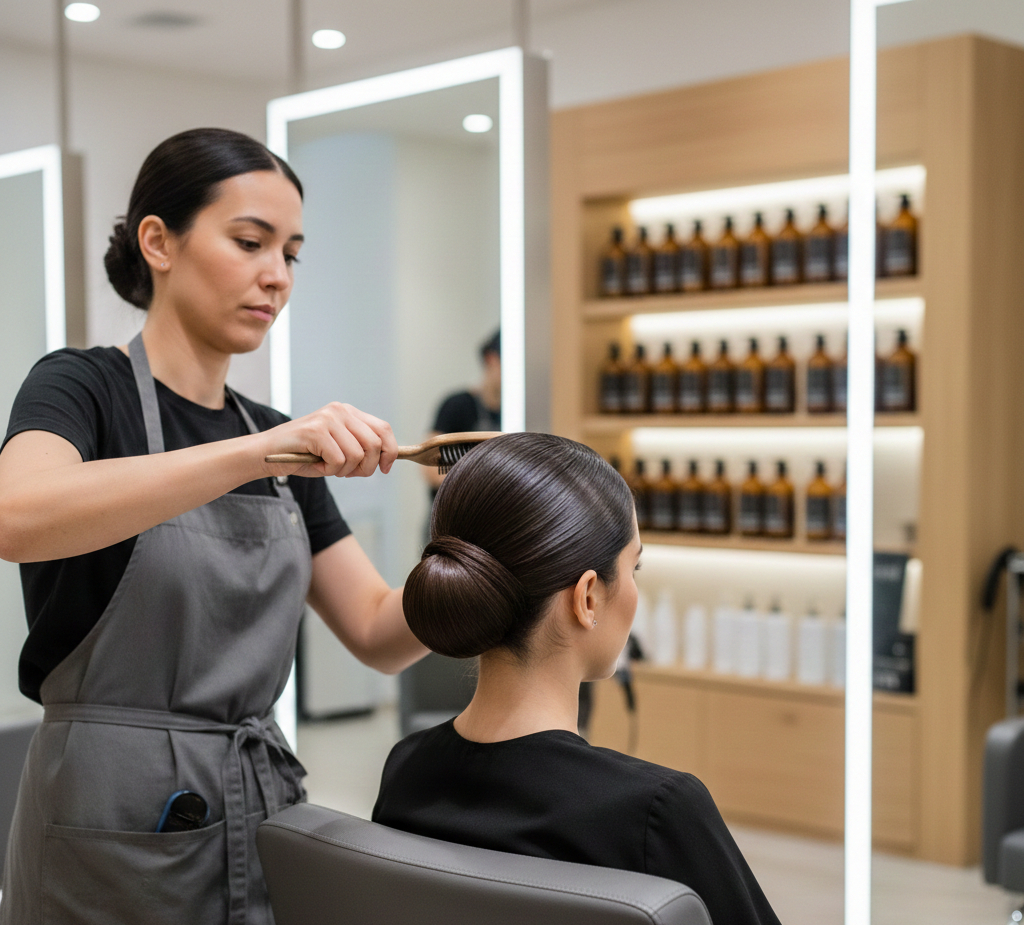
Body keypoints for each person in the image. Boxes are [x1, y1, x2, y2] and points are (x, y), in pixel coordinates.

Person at [0, 128, 426, 925]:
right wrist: (253, 454)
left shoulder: (273, 437)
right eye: (250, 241)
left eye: (291, 253)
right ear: (158, 241)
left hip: (257, 806)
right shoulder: (83, 388)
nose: (277, 276)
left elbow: (377, 630)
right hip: (105, 815)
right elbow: (18, 517)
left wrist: (485, 559)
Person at [373, 433, 782, 925]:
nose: (635, 590)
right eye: (634, 566)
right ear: (587, 598)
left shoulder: (407, 771)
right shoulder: (657, 813)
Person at [422, 330, 501, 502]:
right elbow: (430, 469)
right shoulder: (457, 406)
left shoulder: (515, 415)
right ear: (491, 359)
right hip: (451, 516)